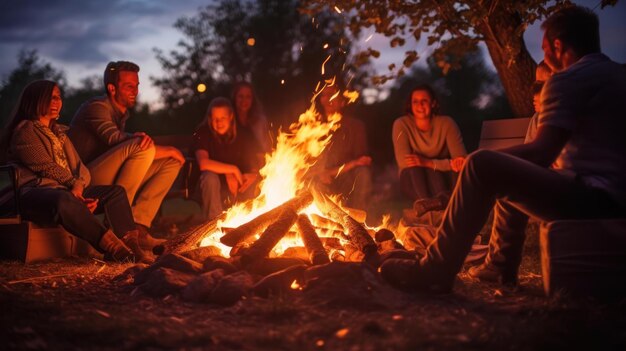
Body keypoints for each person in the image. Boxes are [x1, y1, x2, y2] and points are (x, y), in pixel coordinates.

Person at [381, 5, 626, 293]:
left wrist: (478, 162)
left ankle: (434, 269)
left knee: (483, 164)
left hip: (595, 200)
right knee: (506, 168)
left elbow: (541, 154)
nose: (545, 56)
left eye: (546, 48)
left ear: (557, 46)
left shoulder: (567, 81)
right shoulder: (616, 74)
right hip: (613, 194)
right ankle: (499, 265)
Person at [0, 80, 152, 263]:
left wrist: (78, 188)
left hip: (68, 191)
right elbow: (46, 167)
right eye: (51, 98)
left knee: (115, 193)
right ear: (36, 100)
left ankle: (133, 246)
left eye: (58, 97)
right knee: (62, 199)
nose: (57, 102)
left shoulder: (60, 134)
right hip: (33, 193)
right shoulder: (25, 131)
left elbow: (81, 169)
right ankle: (114, 248)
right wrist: (73, 189)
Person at [68, 61, 184, 248]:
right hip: (85, 179)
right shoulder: (96, 108)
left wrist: (169, 153)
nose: (135, 91)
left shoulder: (121, 115)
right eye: (128, 86)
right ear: (112, 88)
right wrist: (168, 148)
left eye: (136, 85)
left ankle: (138, 226)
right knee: (143, 146)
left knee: (170, 162)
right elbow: (114, 139)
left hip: (109, 175)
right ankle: (120, 228)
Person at [392, 85, 467, 215]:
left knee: (435, 171)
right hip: (414, 179)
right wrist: (445, 164)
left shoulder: (446, 123)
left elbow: (461, 161)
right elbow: (404, 163)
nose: (420, 105)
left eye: (424, 101)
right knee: (415, 167)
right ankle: (433, 204)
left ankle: (433, 205)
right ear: (410, 105)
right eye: (415, 101)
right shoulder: (401, 124)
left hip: (443, 177)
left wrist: (427, 162)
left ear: (433, 103)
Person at [191, 97, 263, 220]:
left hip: (237, 185)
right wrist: (232, 170)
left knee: (257, 181)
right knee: (210, 177)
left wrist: (254, 174)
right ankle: (214, 226)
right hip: (207, 187)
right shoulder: (203, 132)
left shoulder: (243, 133)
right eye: (215, 119)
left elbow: (258, 160)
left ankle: (251, 223)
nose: (219, 123)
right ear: (209, 118)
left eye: (223, 118)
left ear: (230, 117)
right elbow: (203, 163)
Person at [314, 83, 373, 212]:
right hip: (319, 178)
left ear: (342, 101)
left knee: (363, 174)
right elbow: (305, 164)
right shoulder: (311, 127)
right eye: (324, 95)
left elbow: (362, 161)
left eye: (332, 94)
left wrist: (331, 171)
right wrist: (320, 173)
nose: (328, 98)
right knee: (313, 183)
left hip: (347, 176)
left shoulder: (355, 127)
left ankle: (357, 221)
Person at [231, 81, 272, 153]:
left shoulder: (260, 121)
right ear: (235, 98)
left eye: (248, 97)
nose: (244, 100)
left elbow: (266, 146)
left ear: (252, 100)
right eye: (241, 96)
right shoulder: (227, 121)